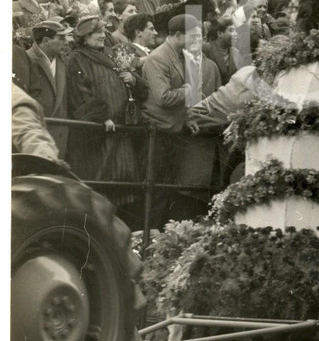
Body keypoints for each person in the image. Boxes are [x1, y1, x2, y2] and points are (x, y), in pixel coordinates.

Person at [65, 14, 148, 227]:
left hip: (121, 132)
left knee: (122, 187)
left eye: (103, 32)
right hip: (99, 136)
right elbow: (80, 94)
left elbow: (139, 88)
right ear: (84, 37)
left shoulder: (112, 55)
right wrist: (101, 117)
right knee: (100, 187)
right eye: (96, 32)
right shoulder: (77, 58)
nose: (102, 36)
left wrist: (133, 79)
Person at [141, 13, 221, 225]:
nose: (198, 41)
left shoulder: (178, 54)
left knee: (165, 190)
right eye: (193, 37)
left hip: (173, 131)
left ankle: (157, 234)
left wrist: (187, 119)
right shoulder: (158, 58)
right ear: (177, 35)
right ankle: (148, 236)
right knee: (155, 189)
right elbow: (163, 97)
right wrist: (187, 90)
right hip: (158, 133)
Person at [17, 19, 73, 155]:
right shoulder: (25, 60)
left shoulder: (63, 62)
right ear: (46, 41)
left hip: (59, 139)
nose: (67, 41)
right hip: (34, 140)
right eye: (61, 38)